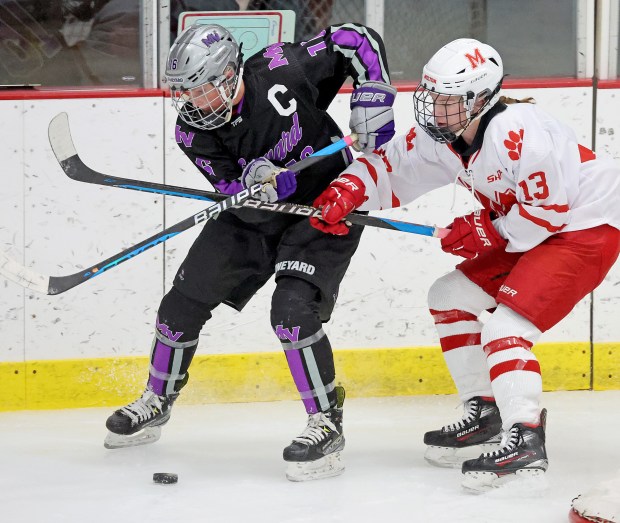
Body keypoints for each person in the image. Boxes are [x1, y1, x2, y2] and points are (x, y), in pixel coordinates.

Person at [309, 38, 620, 490]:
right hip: (538, 227)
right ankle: (487, 411)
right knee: (449, 296)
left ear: (479, 99)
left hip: (584, 226)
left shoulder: (518, 133)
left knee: (505, 328)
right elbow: (390, 167)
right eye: (431, 95)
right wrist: (348, 191)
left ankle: (526, 440)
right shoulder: (448, 134)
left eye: (448, 100)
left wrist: (485, 230)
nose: (435, 107)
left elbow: (548, 213)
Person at [104, 22, 396, 482]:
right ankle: (157, 401)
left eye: (199, 90)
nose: (190, 104)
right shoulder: (191, 131)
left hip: (324, 208)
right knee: (179, 306)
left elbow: (355, 37)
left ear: (226, 75)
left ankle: (325, 422)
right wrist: (249, 186)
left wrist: (372, 93)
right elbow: (228, 186)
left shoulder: (285, 67)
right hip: (253, 218)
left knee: (292, 311)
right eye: (184, 94)